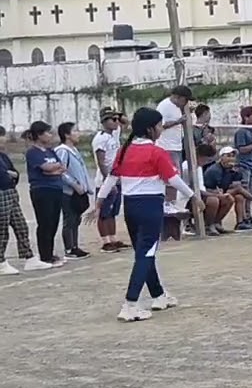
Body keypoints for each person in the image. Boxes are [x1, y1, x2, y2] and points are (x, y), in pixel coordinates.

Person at [91, 107, 200, 321]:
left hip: (130, 207)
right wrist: (193, 196)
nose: (161, 129)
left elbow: (111, 179)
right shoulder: (156, 152)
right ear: (151, 129)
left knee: (144, 252)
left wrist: (99, 202)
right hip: (150, 206)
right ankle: (130, 304)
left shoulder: (125, 150)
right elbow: (173, 180)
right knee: (145, 254)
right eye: (159, 125)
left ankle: (158, 294)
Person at [24, 121, 66, 269]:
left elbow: (61, 167)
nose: (50, 135)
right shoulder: (32, 152)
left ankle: (50, 252)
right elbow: (45, 168)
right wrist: (52, 170)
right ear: (39, 135)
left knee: (54, 221)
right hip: (42, 190)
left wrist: (52, 170)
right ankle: (45, 255)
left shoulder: (50, 151)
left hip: (56, 188)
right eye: (47, 133)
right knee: (45, 222)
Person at [54, 122, 94, 261]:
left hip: (79, 191)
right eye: (75, 131)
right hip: (68, 192)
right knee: (69, 219)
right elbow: (61, 171)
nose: (78, 133)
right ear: (67, 135)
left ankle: (75, 246)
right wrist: (74, 184)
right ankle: (69, 248)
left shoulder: (74, 150)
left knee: (76, 219)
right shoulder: (62, 150)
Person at [0, 129, 36, 274]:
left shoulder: (3, 156)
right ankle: (1, 261)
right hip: (1, 193)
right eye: (2, 137)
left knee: (21, 225)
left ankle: (28, 256)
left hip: (10, 192)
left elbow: (14, 172)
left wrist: (10, 174)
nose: (4, 140)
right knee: (2, 229)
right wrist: (8, 174)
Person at [91, 107, 126, 252]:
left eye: (116, 119)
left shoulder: (114, 135)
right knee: (104, 212)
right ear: (104, 122)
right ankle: (105, 241)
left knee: (113, 211)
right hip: (105, 179)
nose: (116, 122)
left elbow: (126, 122)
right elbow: (101, 161)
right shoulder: (100, 138)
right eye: (113, 120)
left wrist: (118, 115)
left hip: (117, 177)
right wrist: (108, 181)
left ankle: (113, 238)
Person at [204, 146, 252, 231]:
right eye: (228, 156)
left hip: (222, 192)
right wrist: (236, 189)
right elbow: (211, 189)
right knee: (226, 198)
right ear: (221, 157)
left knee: (239, 196)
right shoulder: (214, 170)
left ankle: (240, 222)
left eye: (232, 156)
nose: (231, 158)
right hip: (210, 194)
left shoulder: (233, 170)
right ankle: (210, 224)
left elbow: (236, 184)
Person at [155, 85, 193, 167]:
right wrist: (178, 121)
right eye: (185, 99)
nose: (186, 102)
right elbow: (160, 125)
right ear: (177, 97)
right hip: (167, 147)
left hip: (177, 146)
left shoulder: (178, 107)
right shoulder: (164, 106)